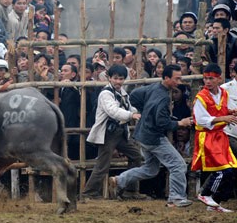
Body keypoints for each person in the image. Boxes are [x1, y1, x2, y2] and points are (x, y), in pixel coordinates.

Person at [109, 64, 194, 208]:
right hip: (153, 137)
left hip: (143, 135)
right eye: (176, 79)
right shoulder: (163, 98)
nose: (179, 82)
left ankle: (119, 180)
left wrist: (145, 112)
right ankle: (176, 198)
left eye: (180, 78)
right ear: (166, 78)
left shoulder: (154, 87)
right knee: (177, 164)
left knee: (151, 169)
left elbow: (134, 96)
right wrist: (180, 123)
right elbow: (162, 123)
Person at [84, 65, 144, 200]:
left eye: (121, 78)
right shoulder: (105, 93)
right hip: (108, 133)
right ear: (109, 78)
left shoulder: (122, 92)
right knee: (103, 164)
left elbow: (128, 107)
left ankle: (130, 190)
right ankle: (88, 193)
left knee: (136, 156)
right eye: (115, 78)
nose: (118, 81)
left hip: (120, 132)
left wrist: (136, 112)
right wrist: (131, 115)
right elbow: (113, 111)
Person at [192, 63, 237, 212]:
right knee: (222, 170)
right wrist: (224, 117)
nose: (208, 82)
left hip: (220, 136)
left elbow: (221, 111)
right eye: (206, 78)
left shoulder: (224, 93)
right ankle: (205, 194)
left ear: (219, 79)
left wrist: (230, 113)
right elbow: (201, 120)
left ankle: (215, 202)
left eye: (211, 78)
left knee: (232, 170)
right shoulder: (201, 97)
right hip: (208, 136)